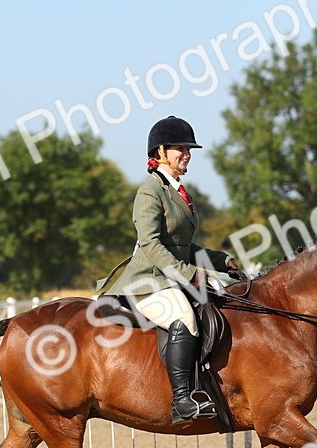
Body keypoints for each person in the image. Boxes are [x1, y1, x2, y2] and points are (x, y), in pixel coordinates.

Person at [97, 116, 244, 422]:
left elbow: (182, 246)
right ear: (161, 152)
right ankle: (182, 401)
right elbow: (150, 244)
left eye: (189, 149)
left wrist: (220, 261)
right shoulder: (150, 191)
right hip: (146, 281)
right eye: (180, 148)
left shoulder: (178, 192)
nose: (187, 154)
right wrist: (190, 273)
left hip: (169, 277)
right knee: (185, 317)